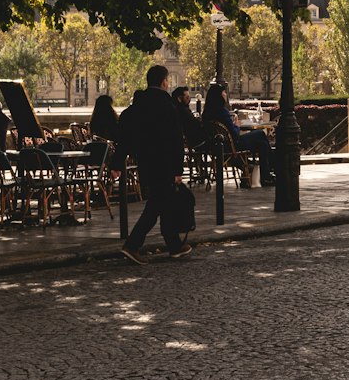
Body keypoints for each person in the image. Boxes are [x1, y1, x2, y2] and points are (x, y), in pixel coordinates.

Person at [111, 64, 191, 265]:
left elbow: (124, 137)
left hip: (146, 163)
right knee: (156, 205)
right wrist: (177, 170)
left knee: (163, 202)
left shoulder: (137, 106)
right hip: (164, 163)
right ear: (165, 82)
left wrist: (117, 163)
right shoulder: (168, 106)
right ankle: (133, 244)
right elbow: (175, 141)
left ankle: (173, 244)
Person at [203, 80, 275, 185]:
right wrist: (236, 125)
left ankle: (266, 174)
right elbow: (234, 133)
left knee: (262, 143)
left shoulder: (207, 113)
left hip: (220, 146)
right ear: (218, 96)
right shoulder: (222, 112)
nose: (225, 94)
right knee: (261, 134)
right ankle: (269, 172)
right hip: (233, 145)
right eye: (223, 92)